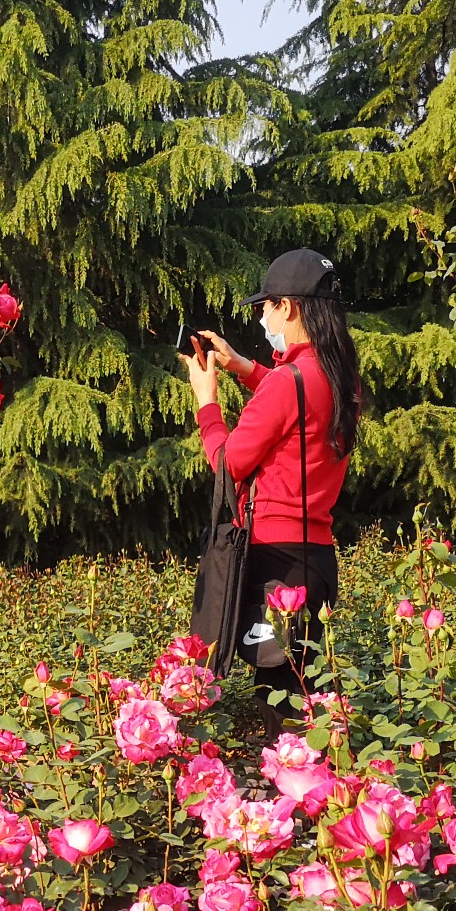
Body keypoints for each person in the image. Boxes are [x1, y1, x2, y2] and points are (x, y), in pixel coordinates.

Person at [181, 247, 363, 733]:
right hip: (316, 558)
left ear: (290, 307)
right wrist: (245, 367)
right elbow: (299, 404)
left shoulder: (289, 382)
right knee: (307, 695)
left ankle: (299, 803)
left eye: (265, 304)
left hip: (274, 560)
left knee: (281, 709)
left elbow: (227, 465)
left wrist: (207, 403)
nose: (261, 314)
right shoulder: (340, 376)